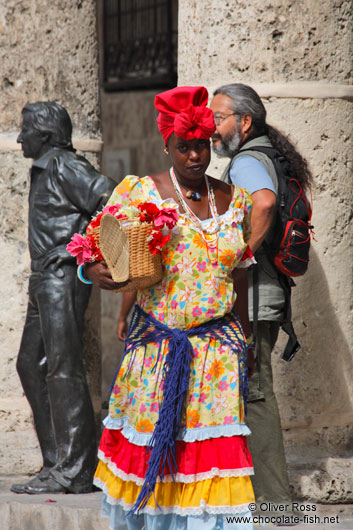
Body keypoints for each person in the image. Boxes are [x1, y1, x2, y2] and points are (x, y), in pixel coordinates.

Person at [85, 86, 256, 529]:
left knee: (210, 467)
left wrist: (245, 340)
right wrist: (94, 272)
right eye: (185, 148)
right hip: (157, 356)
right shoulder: (143, 192)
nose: (195, 156)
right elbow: (99, 249)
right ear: (168, 146)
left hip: (216, 359)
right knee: (159, 463)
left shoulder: (235, 200)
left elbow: (239, 275)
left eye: (202, 146)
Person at [210, 83, 312, 509]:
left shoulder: (249, 160)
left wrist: (238, 257)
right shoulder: (269, 154)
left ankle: (275, 504)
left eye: (219, 118)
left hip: (252, 296)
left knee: (255, 392)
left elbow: (266, 205)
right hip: (262, 294)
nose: (212, 129)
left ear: (245, 121)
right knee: (246, 390)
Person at [11, 102, 116, 495]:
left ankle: (74, 470)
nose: (20, 138)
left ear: (48, 135)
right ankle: (56, 462)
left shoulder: (64, 166)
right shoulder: (45, 168)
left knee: (62, 368)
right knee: (29, 365)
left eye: (26, 130)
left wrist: (80, 252)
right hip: (43, 280)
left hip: (61, 279)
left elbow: (112, 200)